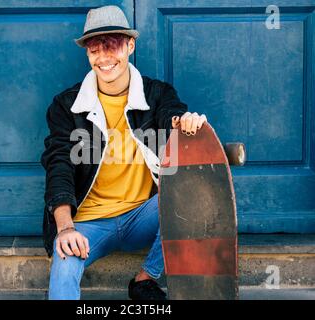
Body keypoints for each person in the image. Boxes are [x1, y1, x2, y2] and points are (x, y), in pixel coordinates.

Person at [41, 5, 207, 300]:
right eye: (94, 49)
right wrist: (65, 229)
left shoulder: (156, 94)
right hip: (87, 224)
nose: (104, 58)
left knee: (192, 198)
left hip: (141, 216)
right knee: (64, 262)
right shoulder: (67, 105)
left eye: (112, 45)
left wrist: (186, 124)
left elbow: (173, 116)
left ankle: (145, 279)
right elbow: (59, 165)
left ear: (130, 45)